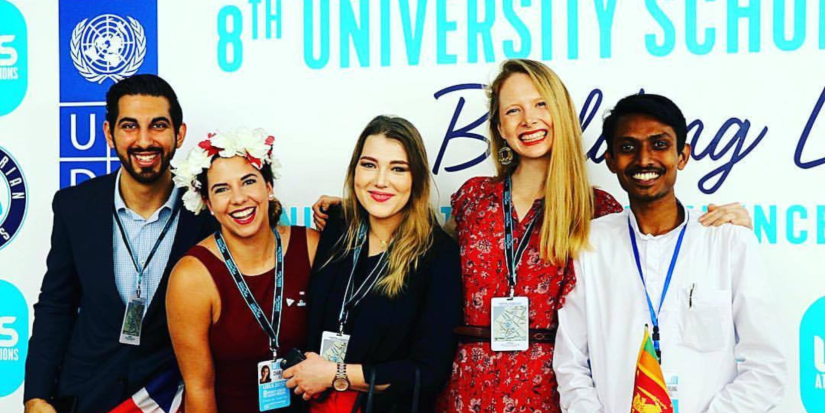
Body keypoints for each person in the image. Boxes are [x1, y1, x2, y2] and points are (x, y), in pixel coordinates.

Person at [312, 60, 752, 413]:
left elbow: (658, 262)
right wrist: (350, 208)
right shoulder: (472, 199)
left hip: (554, 391)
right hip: (465, 387)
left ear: (560, 113)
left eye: (540, 105)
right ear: (500, 128)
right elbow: (411, 242)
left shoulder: (598, 208)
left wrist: (728, 226)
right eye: (513, 110)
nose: (529, 120)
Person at [553, 94, 785, 413]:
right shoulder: (590, 244)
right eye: (628, 147)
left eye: (659, 144)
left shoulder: (727, 242)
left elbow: (766, 367)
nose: (644, 160)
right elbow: (570, 365)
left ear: (682, 155)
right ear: (610, 160)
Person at [24, 74, 215, 413]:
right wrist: (36, 395)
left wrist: (334, 217)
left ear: (179, 134)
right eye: (129, 126)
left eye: (158, 125)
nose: (144, 140)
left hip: (168, 396)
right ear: (109, 134)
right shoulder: (75, 206)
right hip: (86, 395)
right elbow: (56, 305)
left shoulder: (208, 211)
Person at [285, 115, 462, 413]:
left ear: (416, 178)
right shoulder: (337, 228)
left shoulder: (437, 255)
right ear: (354, 170)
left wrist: (334, 374)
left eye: (398, 168)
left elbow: (428, 372)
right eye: (369, 165)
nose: (380, 180)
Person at [166, 128, 319, 413]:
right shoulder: (192, 276)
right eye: (222, 189)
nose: (238, 198)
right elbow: (199, 388)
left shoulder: (310, 246)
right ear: (208, 204)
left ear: (269, 186)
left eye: (248, 182)